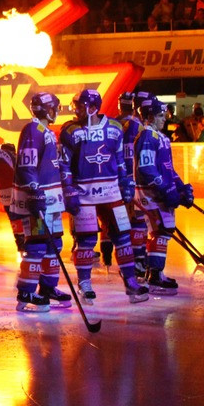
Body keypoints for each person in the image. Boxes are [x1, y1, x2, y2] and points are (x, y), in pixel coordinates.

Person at [60, 89, 148, 304]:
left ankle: (130, 282)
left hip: (111, 191)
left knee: (123, 237)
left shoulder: (115, 128)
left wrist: (126, 181)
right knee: (87, 241)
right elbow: (63, 164)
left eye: (81, 106)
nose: (76, 109)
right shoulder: (70, 130)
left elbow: (120, 160)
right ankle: (85, 284)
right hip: (84, 194)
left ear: (92, 108)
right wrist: (69, 189)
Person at [9, 92, 72, 313]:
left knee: (54, 244)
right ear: (46, 109)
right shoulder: (33, 130)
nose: (56, 112)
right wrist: (34, 193)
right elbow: (27, 165)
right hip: (37, 201)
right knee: (36, 245)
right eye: (53, 108)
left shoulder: (46, 132)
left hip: (51, 201)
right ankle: (26, 290)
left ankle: (47, 288)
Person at [134, 96, 195, 294]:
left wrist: (180, 187)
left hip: (159, 192)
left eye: (164, 115)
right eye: (160, 116)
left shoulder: (160, 137)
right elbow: (146, 168)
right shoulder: (147, 137)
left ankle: (155, 273)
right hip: (151, 194)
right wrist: (166, 190)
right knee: (160, 232)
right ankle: (155, 276)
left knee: (163, 232)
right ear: (149, 116)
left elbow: (168, 169)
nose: (164, 119)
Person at [115, 91, 152, 275]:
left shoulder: (112, 124)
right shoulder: (139, 127)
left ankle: (129, 259)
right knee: (138, 221)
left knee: (121, 223)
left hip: (115, 182)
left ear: (119, 105)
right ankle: (137, 258)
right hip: (134, 182)